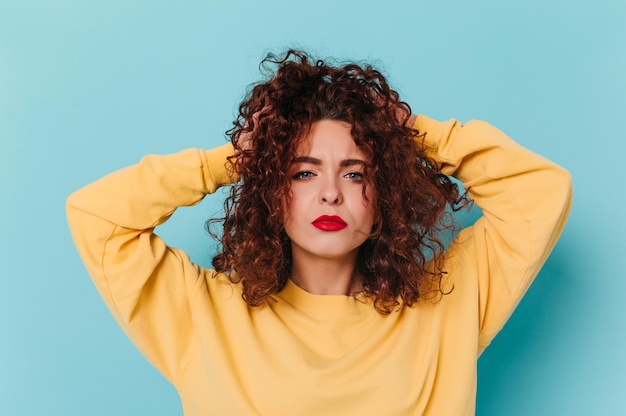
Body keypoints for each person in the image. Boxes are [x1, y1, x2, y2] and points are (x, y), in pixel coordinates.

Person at [66, 50, 572, 416]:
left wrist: (413, 132)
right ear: (270, 188)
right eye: (303, 172)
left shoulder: (447, 301)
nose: (331, 193)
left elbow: (543, 192)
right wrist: (235, 159)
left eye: (355, 174)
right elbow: (97, 217)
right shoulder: (203, 314)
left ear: (384, 195)